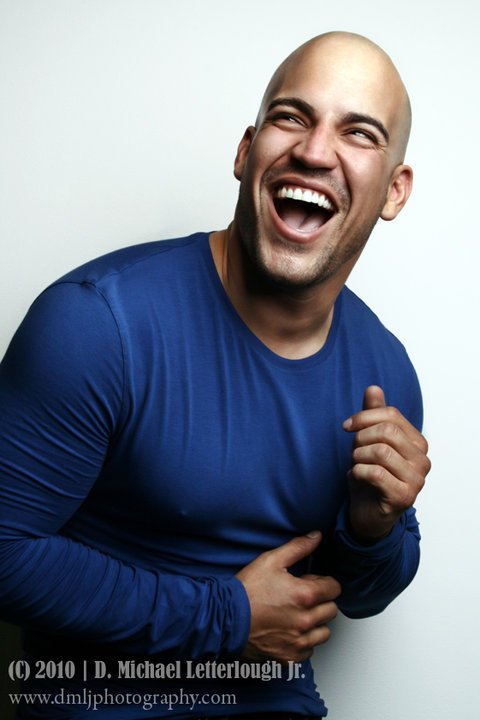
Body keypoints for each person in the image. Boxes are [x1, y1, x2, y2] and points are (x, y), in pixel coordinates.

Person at [0, 31, 430, 719]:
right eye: (291, 116)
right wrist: (225, 617)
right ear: (245, 151)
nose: (315, 151)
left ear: (394, 191)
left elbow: (362, 596)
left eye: (359, 133)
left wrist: (374, 527)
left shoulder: (386, 372)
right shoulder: (97, 324)